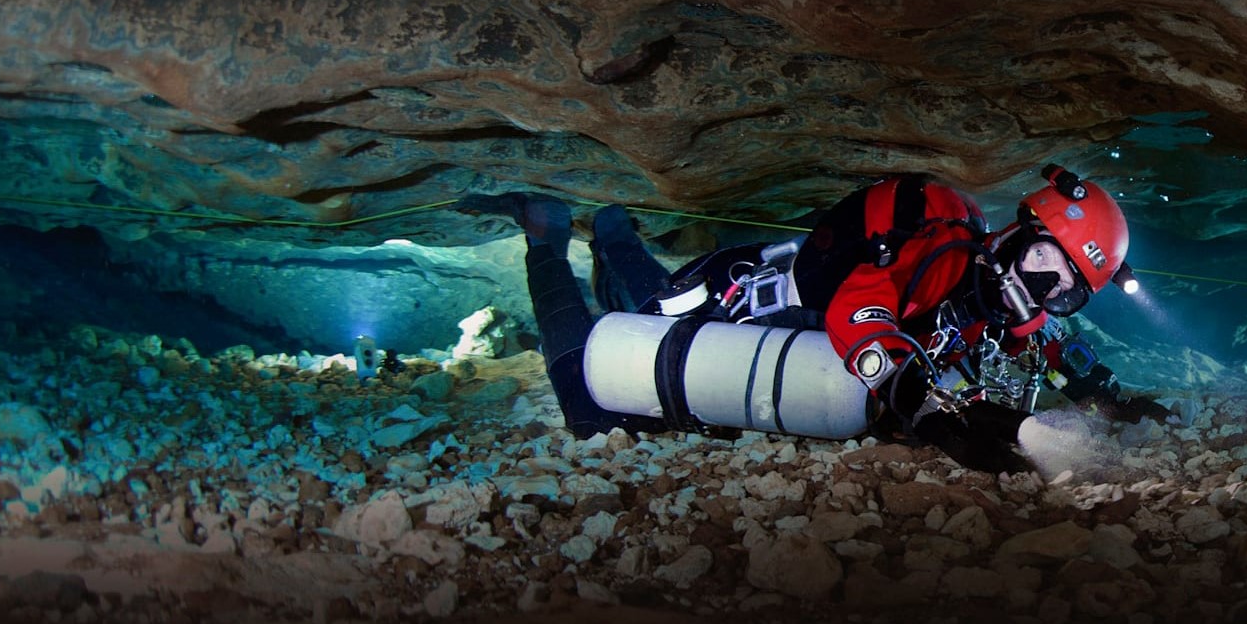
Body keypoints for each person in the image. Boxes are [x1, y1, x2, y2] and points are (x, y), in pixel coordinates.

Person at [458, 165, 1169, 473]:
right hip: (745, 298)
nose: (1041, 290)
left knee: (644, 331)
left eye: (1066, 289)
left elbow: (1046, 344)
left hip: (785, 341)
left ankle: (612, 236)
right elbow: (861, 312)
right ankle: (555, 234)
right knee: (599, 386)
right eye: (1045, 263)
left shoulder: (1001, 306)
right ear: (1020, 232)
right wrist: (926, 409)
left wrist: (1106, 393)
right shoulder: (943, 249)